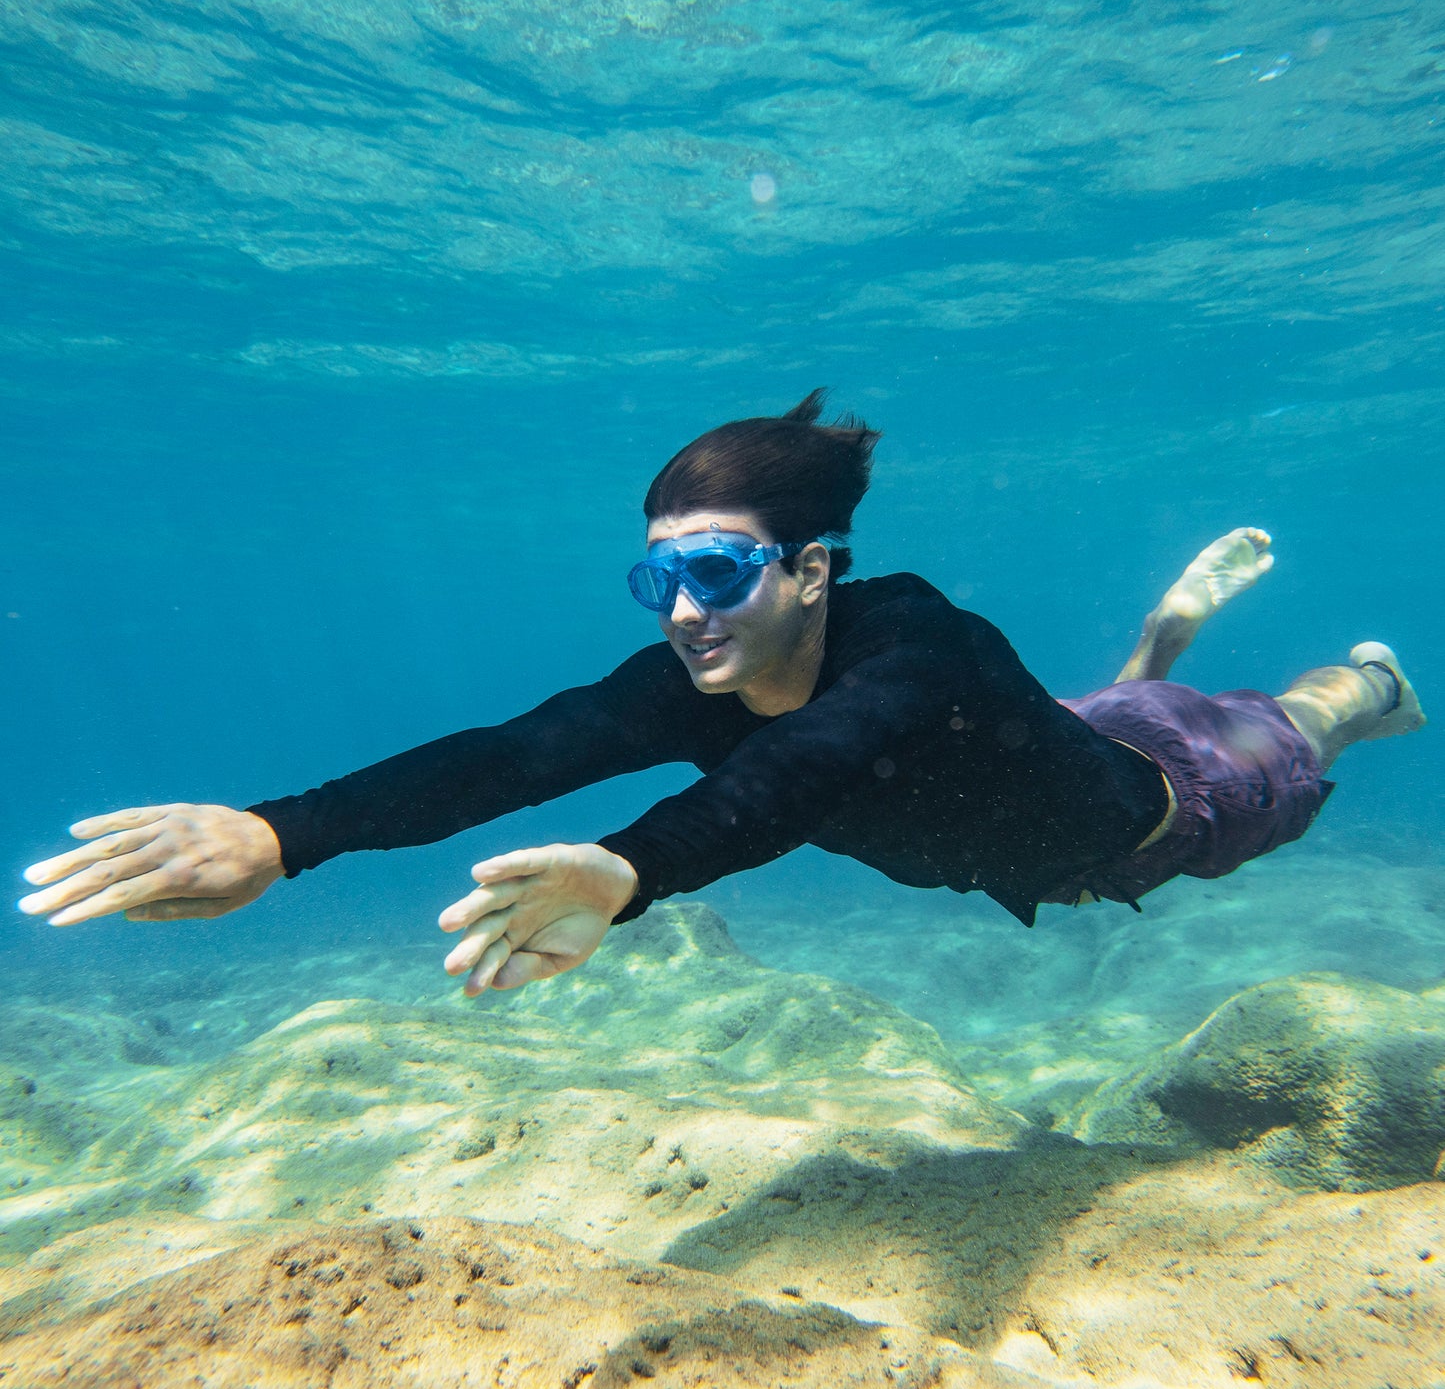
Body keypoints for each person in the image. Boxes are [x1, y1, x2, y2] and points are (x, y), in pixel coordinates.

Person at [19, 393, 1425, 998]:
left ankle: (1342, 677)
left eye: (716, 570)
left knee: (1292, 727)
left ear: (813, 569)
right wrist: (282, 834)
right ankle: (1158, 632)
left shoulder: (918, 645)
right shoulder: (699, 673)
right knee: (1085, 716)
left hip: (1168, 810)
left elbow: (790, 783)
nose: (684, 611)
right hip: (1042, 759)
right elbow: (512, 755)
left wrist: (627, 871)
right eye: (657, 579)